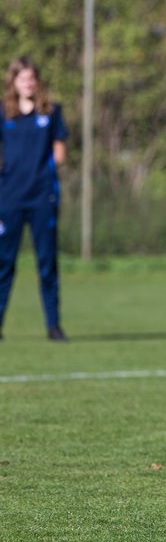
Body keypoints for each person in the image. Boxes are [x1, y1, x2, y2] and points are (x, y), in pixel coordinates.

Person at [0, 57, 69, 342]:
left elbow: (60, 153)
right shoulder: (4, 112)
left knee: (47, 263)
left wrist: (44, 171)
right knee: (4, 264)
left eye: (32, 78)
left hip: (43, 199)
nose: (28, 83)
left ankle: (53, 326)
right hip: (9, 199)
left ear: (37, 81)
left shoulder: (51, 112)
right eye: (22, 78)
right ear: (13, 82)